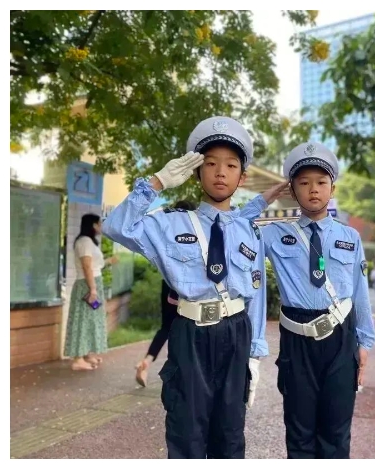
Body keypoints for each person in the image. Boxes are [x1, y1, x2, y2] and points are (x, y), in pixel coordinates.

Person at [102, 116, 268, 459]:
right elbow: (116, 227)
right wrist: (157, 182)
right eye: (210, 163)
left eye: (231, 165)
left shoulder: (249, 231)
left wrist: (254, 355)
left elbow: (256, 295)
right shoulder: (170, 223)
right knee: (186, 434)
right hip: (191, 333)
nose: (220, 172)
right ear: (196, 172)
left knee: (230, 437)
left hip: (236, 332)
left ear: (242, 177)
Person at [240, 141, 375, 459]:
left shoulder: (350, 237)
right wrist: (265, 198)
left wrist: (365, 341)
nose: (313, 189)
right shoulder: (273, 234)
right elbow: (236, 226)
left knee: (336, 433)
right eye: (303, 183)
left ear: (332, 188)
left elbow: (360, 290)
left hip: (340, 339)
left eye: (321, 182)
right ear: (293, 190)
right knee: (299, 432)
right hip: (296, 342)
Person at [134, 199, 196, 387]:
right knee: (187, 330)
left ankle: (146, 361)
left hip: (168, 287)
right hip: (186, 289)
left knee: (166, 327)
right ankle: (179, 374)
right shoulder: (194, 235)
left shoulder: (167, 234)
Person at [64, 213, 118, 371]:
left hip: (93, 283)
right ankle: (78, 359)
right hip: (87, 285)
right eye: (100, 223)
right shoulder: (84, 242)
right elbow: (86, 266)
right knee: (82, 320)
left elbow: (94, 265)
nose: (102, 226)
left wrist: (109, 261)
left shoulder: (89, 242)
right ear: (93, 225)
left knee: (91, 321)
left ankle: (86, 354)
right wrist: (93, 289)